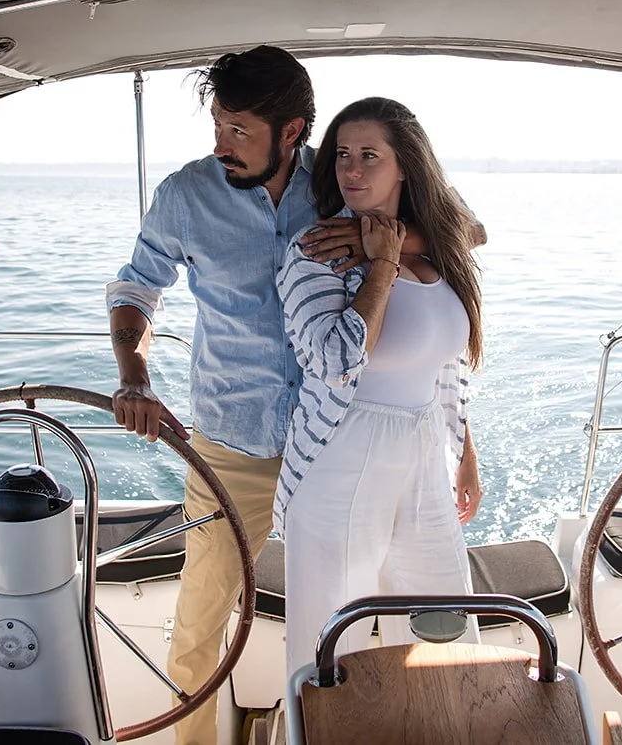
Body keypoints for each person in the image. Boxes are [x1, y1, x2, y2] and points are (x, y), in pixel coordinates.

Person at [106, 47, 433, 745]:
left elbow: (466, 233)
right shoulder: (185, 195)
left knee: (356, 618)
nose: (220, 145)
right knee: (200, 629)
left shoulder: (346, 177)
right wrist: (134, 374)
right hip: (233, 445)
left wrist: (388, 244)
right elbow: (137, 287)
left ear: (292, 130)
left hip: (338, 446)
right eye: (219, 125)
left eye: (239, 130)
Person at [274, 96, 484, 681]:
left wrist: (464, 453)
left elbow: (444, 368)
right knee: (329, 655)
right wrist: (382, 266)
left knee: (445, 629)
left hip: (422, 453)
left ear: (405, 167)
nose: (352, 170)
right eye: (343, 155)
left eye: (371, 155)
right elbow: (334, 359)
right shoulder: (315, 252)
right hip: (343, 453)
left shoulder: (441, 249)